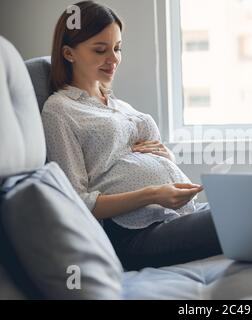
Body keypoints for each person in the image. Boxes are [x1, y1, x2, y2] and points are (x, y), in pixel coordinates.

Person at [42, 1, 221, 270]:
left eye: (117, 48)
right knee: (239, 218)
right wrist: (152, 194)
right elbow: (77, 201)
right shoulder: (59, 110)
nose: (113, 59)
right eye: (100, 50)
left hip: (170, 216)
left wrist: (167, 159)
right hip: (132, 235)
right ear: (69, 53)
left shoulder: (117, 105)